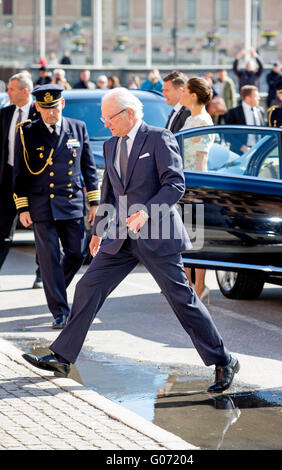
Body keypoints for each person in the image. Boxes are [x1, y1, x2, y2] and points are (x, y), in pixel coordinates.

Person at [22, 87, 240, 394]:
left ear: (129, 114)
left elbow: (175, 184)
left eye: (108, 118)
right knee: (88, 286)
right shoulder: (111, 145)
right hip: (120, 237)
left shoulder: (158, 138)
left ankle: (223, 360)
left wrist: (146, 214)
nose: (105, 124)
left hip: (157, 235)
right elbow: (110, 191)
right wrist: (98, 229)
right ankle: (61, 356)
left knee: (182, 302)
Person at [13, 84, 100, 329]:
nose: (52, 113)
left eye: (55, 107)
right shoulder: (27, 132)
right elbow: (19, 174)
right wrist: (23, 207)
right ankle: (61, 311)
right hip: (41, 204)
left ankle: (55, 290)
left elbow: (89, 168)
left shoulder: (77, 128)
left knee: (76, 253)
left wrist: (94, 201)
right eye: (46, 108)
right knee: (50, 258)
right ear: (38, 107)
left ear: (62, 104)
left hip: (71, 201)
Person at [0, 72, 41, 285]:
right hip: (8, 179)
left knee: (40, 229)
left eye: (11, 89)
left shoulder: (40, 112)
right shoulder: (5, 114)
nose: (7, 92)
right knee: (3, 227)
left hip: (34, 181)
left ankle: (41, 273)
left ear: (25, 91)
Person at [179, 77, 214, 303]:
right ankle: (191, 284)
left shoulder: (202, 121)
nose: (181, 93)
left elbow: (201, 158)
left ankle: (199, 286)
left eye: (185, 90)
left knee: (196, 237)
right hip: (184, 182)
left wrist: (197, 190)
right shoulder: (191, 119)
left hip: (194, 184)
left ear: (193, 95)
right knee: (188, 236)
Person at [224, 85, 266, 154]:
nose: (259, 98)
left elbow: (264, 131)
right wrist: (242, 147)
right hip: (240, 153)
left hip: (259, 151)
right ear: (247, 98)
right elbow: (227, 134)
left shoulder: (260, 111)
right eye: (256, 96)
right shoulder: (234, 112)